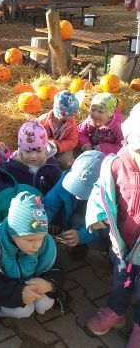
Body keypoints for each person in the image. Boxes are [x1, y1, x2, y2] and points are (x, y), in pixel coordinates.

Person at [0, 191, 63, 324]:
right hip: (3, 286)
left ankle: (50, 295)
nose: (37, 245)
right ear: (13, 232)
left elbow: (56, 267)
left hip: (29, 282)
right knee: (24, 310)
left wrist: (50, 284)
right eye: (30, 240)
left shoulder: (43, 241)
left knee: (44, 304)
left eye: (41, 238)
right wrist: (18, 295)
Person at [85, 103, 140, 346]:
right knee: (121, 280)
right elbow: (101, 189)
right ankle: (117, 311)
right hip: (123, 244)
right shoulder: (117, 164)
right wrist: (97, 214)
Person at [44, 150, 107, 259]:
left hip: (96, 228)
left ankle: (112, 255)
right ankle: (77, 242)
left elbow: (106, 227)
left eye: (86, 189)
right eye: (77, 184)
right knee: (73, 221)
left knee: (108, 243)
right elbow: (50, 203)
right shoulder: (65, 179)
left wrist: (81, 236)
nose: (78, 194)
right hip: (73, 215)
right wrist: (42, 224)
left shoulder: (109, 197)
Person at [6, 120, 61, 196]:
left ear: (45, 149)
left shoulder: (51, 166)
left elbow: (58, 188)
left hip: (46, 202)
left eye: (39, 151)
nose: (33, 156)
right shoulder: (12, 166)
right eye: (28, 151)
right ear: (21, 149)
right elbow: (6, 187)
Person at [39, 90, 79, 170]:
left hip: (62, 148)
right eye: (72, 114)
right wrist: (49, 142)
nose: (74, 116)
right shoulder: (43, 121)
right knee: (41, 160)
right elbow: (37, 136)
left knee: (65, 161)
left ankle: (60, 171)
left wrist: (58, 146)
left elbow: (73, 141)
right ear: (61, 114)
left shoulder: (71, 123)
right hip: (46, 147)